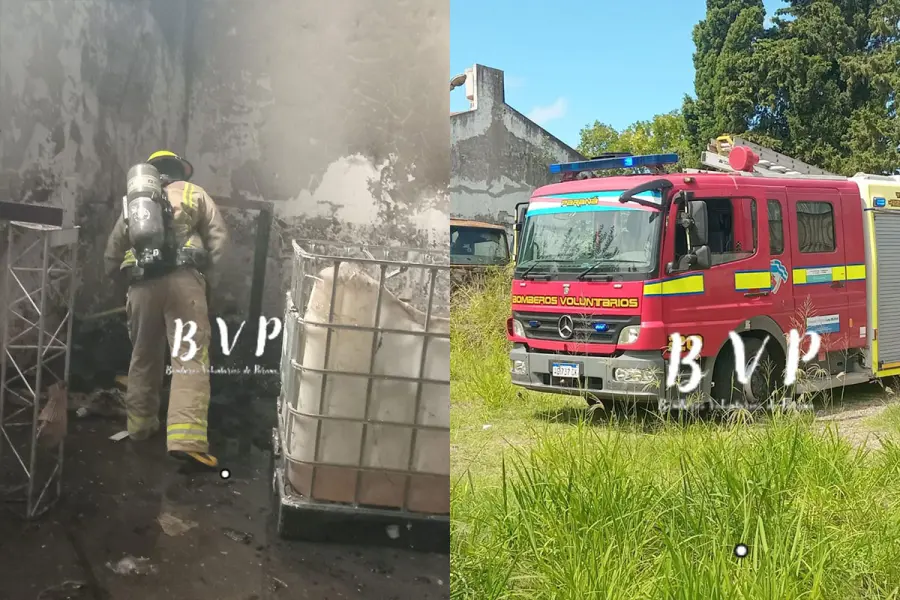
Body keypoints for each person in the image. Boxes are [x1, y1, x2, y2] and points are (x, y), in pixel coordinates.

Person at [103, 150, 228, 470]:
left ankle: (140, 427)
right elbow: (218, 239)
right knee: (189, 357)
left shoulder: (135, 202)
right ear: (180, 171)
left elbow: (112, 252)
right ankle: (186, 441)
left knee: (143, 355)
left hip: (142, 286)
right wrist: (208, 280)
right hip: (184, 282)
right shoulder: (193, 192)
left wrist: (121, 286)